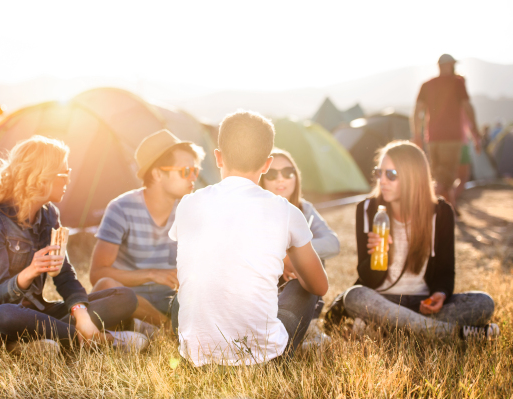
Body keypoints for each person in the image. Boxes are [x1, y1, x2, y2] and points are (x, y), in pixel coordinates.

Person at [0, 136, 147, 352]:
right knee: (8, 314)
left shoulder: (49, 214)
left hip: (38, 313)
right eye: (64, 174)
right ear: (41, 177)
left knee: (124, 297)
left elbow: (64, 274)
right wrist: (29, 272)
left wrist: (81, 314)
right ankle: (99, 340)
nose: (68, 180)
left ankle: (35, 343)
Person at [169, 110, 329, 366]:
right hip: (263, 362)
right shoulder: (286, 211)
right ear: (267, 164)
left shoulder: (188, 204)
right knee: (303, 287)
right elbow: (320, 287)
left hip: (195, 358)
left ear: (218, 157)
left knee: (186, 295)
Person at [329, 141, 498, 341]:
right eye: (378, 173)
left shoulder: (441, 213)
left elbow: (445, 271)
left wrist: (440, 294)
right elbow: (367, 279)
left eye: (390, 175)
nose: (382, 181)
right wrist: (379, 256)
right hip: (381, 300)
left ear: (413, 177)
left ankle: (392, 329)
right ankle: (451, 334)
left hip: (422, 304)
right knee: (355, 297)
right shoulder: (367, 210)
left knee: (483, 303)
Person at [89, 130, 205, 329]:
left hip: (172, 300)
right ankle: (163, 327)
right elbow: (97, 275)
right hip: (131, 298)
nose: (193, 177)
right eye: (186, 171)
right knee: (107, 287)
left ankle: (142, 328)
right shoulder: (121, 208)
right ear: (158, 173)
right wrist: (152, 274)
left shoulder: (190, 210)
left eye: (195, 171)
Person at [259, 149, 339, 346]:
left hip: (297, 287)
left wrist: (294, 253)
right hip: (266, 295)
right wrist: (280, 256)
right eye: (271, 173)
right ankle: (287, 329)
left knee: (314, 258)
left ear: (296, 177)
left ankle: (308, 324)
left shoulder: (305, 209)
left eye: (288, 172)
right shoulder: (257, 209)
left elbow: (332, 243)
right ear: (262, 179)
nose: (281, 179)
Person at [412, 54, 481, 210]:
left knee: (439, 177)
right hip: (452, 137)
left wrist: (417, 134)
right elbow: (468, 107)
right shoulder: (457, 83)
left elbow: (417, 112)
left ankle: (449, 211)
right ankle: (425, 207)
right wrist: (476, 132)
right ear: (450, 65)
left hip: (432, 138)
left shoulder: (427, 85)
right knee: (445, 180)